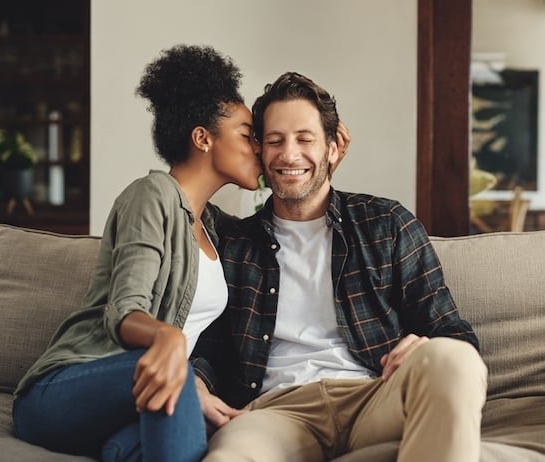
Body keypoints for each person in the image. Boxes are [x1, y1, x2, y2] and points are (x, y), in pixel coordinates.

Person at [194, 72, 488, 462]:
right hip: (276, 412)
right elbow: (208, 349)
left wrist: (430, 345)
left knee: (456, 359)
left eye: (305, 139)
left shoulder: (385, 223)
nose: (289, 154)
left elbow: (455, 333)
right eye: (275, 141)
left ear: (333, 148)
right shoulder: (233, 245)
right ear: (260, 152)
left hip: (374, 397)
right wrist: (193, 384)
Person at [13, 45, 260, 462]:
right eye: (246, 134)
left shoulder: (211, 225)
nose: (257, 146)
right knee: (176, 369)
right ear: (202, 138)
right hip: (62, 391)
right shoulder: (152, 196)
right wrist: (167, 340)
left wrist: (323, 158)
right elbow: (124, 312)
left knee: (176, 433)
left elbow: (280, 222)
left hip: (137, 400)